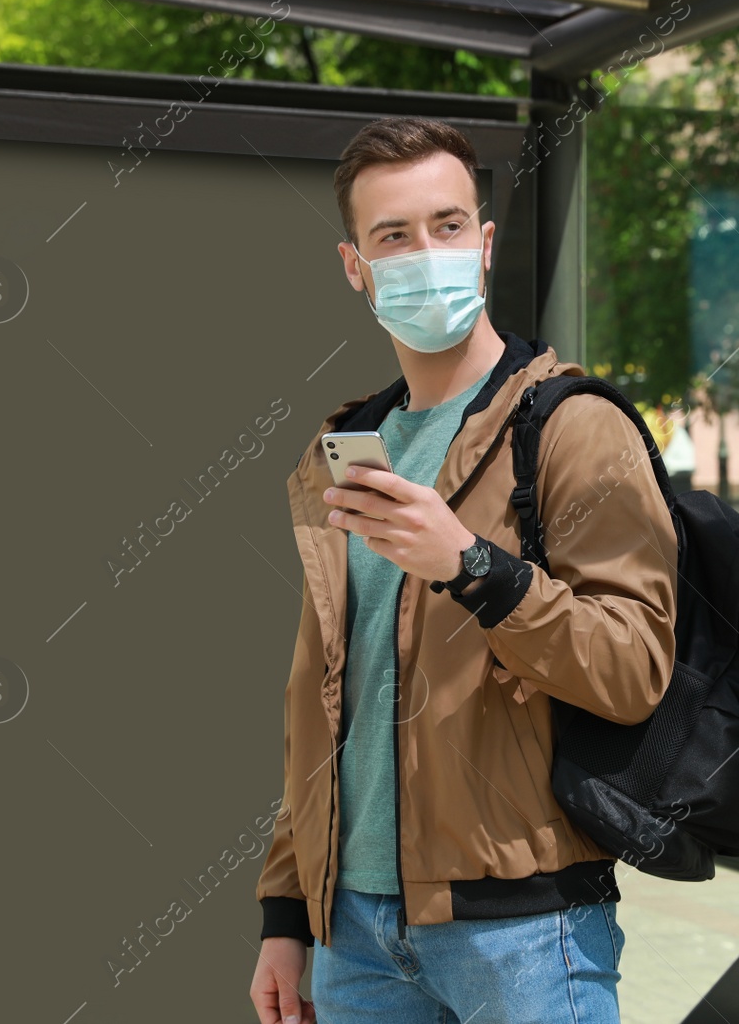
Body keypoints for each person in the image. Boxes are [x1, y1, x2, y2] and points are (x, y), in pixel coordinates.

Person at [249, 116, 679, 1024]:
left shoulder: (571, 424)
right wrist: (287, 909)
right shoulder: (346, 445)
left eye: (447, 226)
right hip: (353, 935)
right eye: (393, 236)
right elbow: (322, 697)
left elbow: (635, 665)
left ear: (484, 245)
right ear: (354, 266)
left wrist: (478, 568)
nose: (425, 251)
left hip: (522, 928)